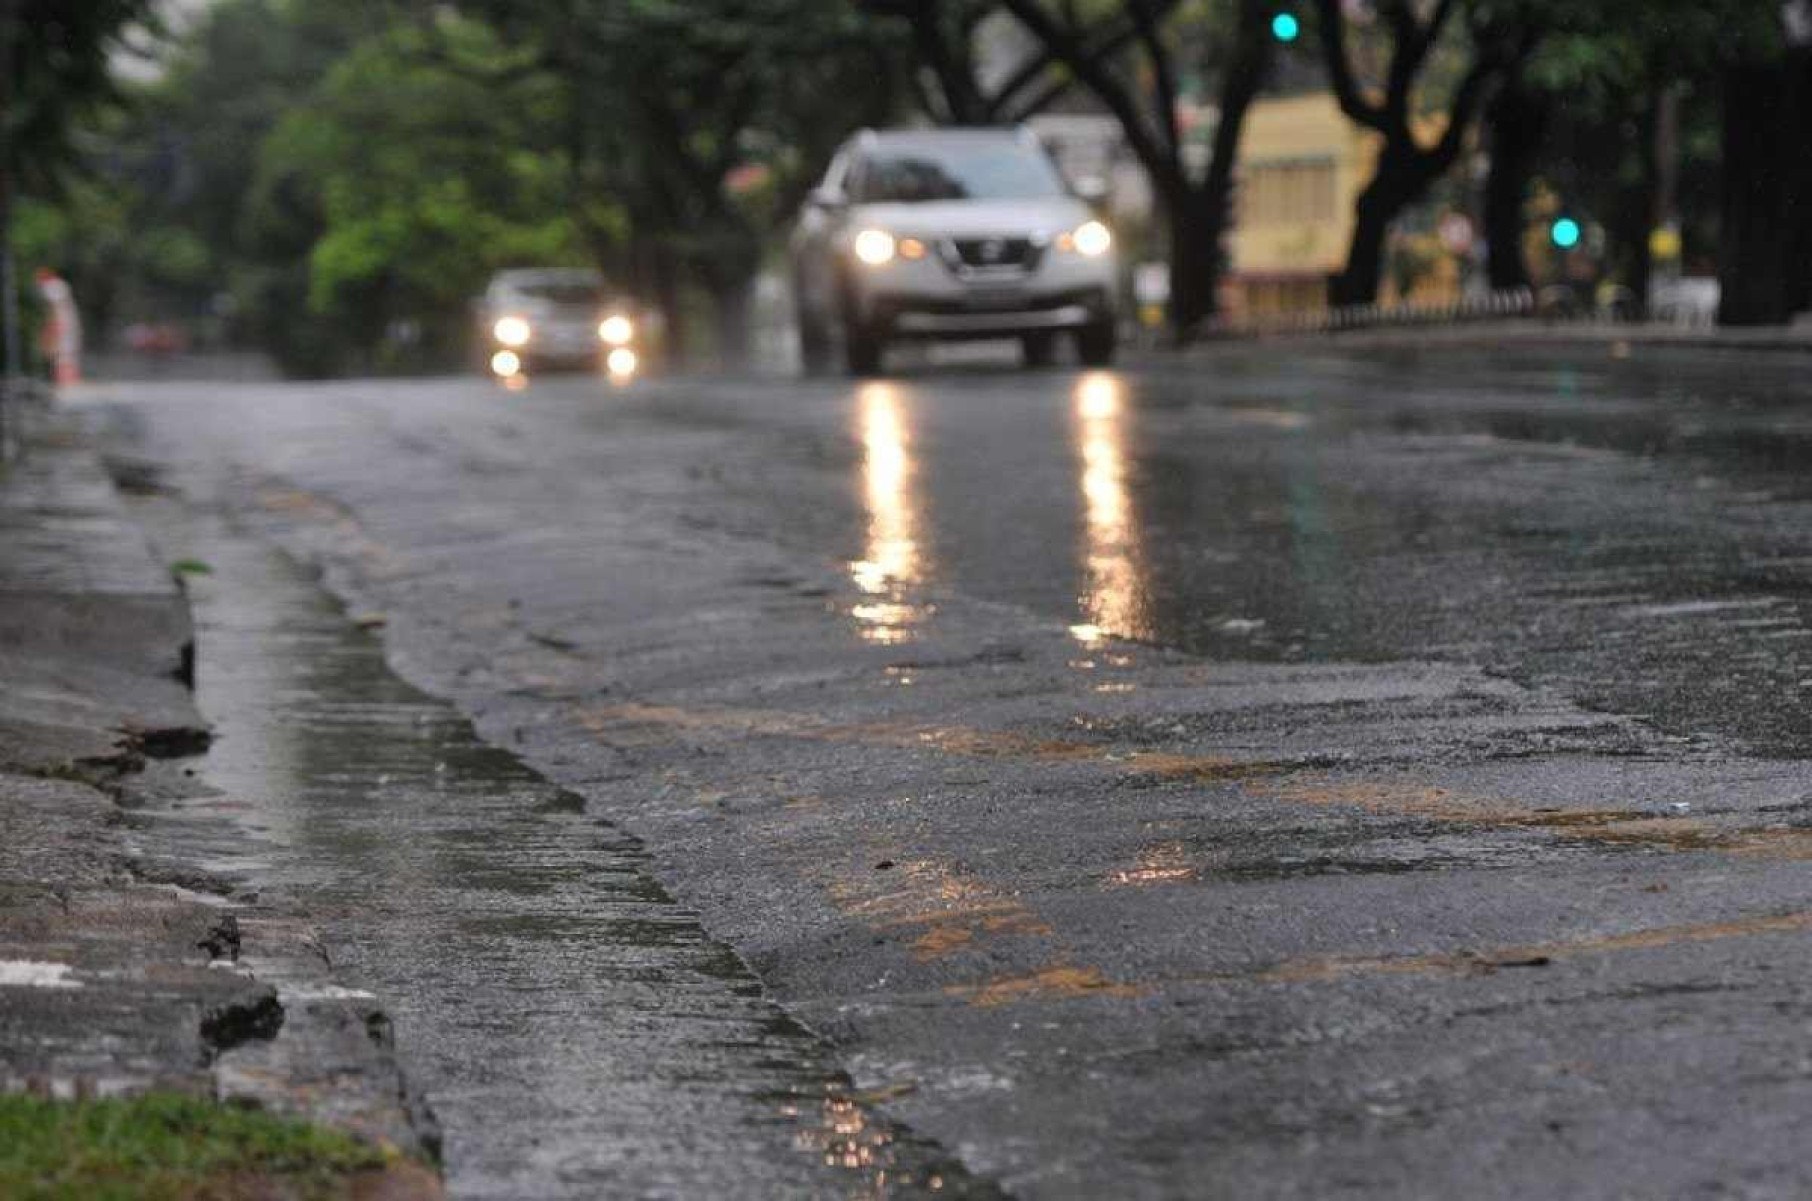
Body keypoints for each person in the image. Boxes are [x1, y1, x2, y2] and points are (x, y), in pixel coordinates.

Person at [34, 268, 81, 386]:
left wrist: (53, 327)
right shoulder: (58, 286)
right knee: (63, 354)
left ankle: (66, 382)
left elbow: (55, 309)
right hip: (64, 323)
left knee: (63, 354)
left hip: (61, 323)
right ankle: (65, 381)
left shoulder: (53, 287)